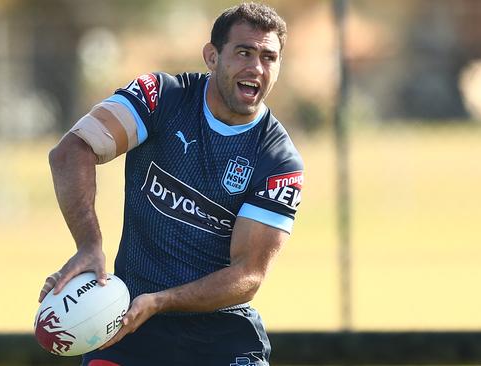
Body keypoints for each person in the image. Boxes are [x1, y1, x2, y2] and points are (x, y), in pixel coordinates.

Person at [39, 3, 303, 365]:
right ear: (212, 56)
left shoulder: (278, 162)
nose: (256, 67)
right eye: (244, 52)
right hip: (131, 323)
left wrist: (163, 300)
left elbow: (248, 276)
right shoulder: (161, 97)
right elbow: (71, 152)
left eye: (269, 57)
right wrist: (89, 247)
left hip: (221, 333)